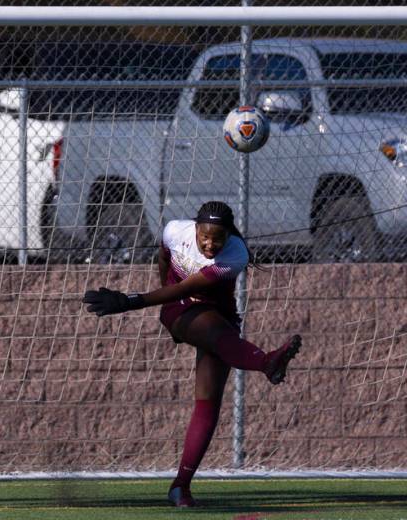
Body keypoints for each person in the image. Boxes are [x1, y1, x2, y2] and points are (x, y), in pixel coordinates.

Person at [82, 201, 303, 508]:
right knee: (217, 333)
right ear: (195, 228)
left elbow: (189, 287)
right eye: (205, 237)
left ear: (228, 236)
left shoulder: (236, 254)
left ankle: (180, 486)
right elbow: (164, 262)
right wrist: (149, 301)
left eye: (218, 239)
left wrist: (129, 301)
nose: (211, 244)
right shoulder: (174, 230)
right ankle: (267, 362)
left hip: (214, 313)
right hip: (180, 309)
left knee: (208, 402)